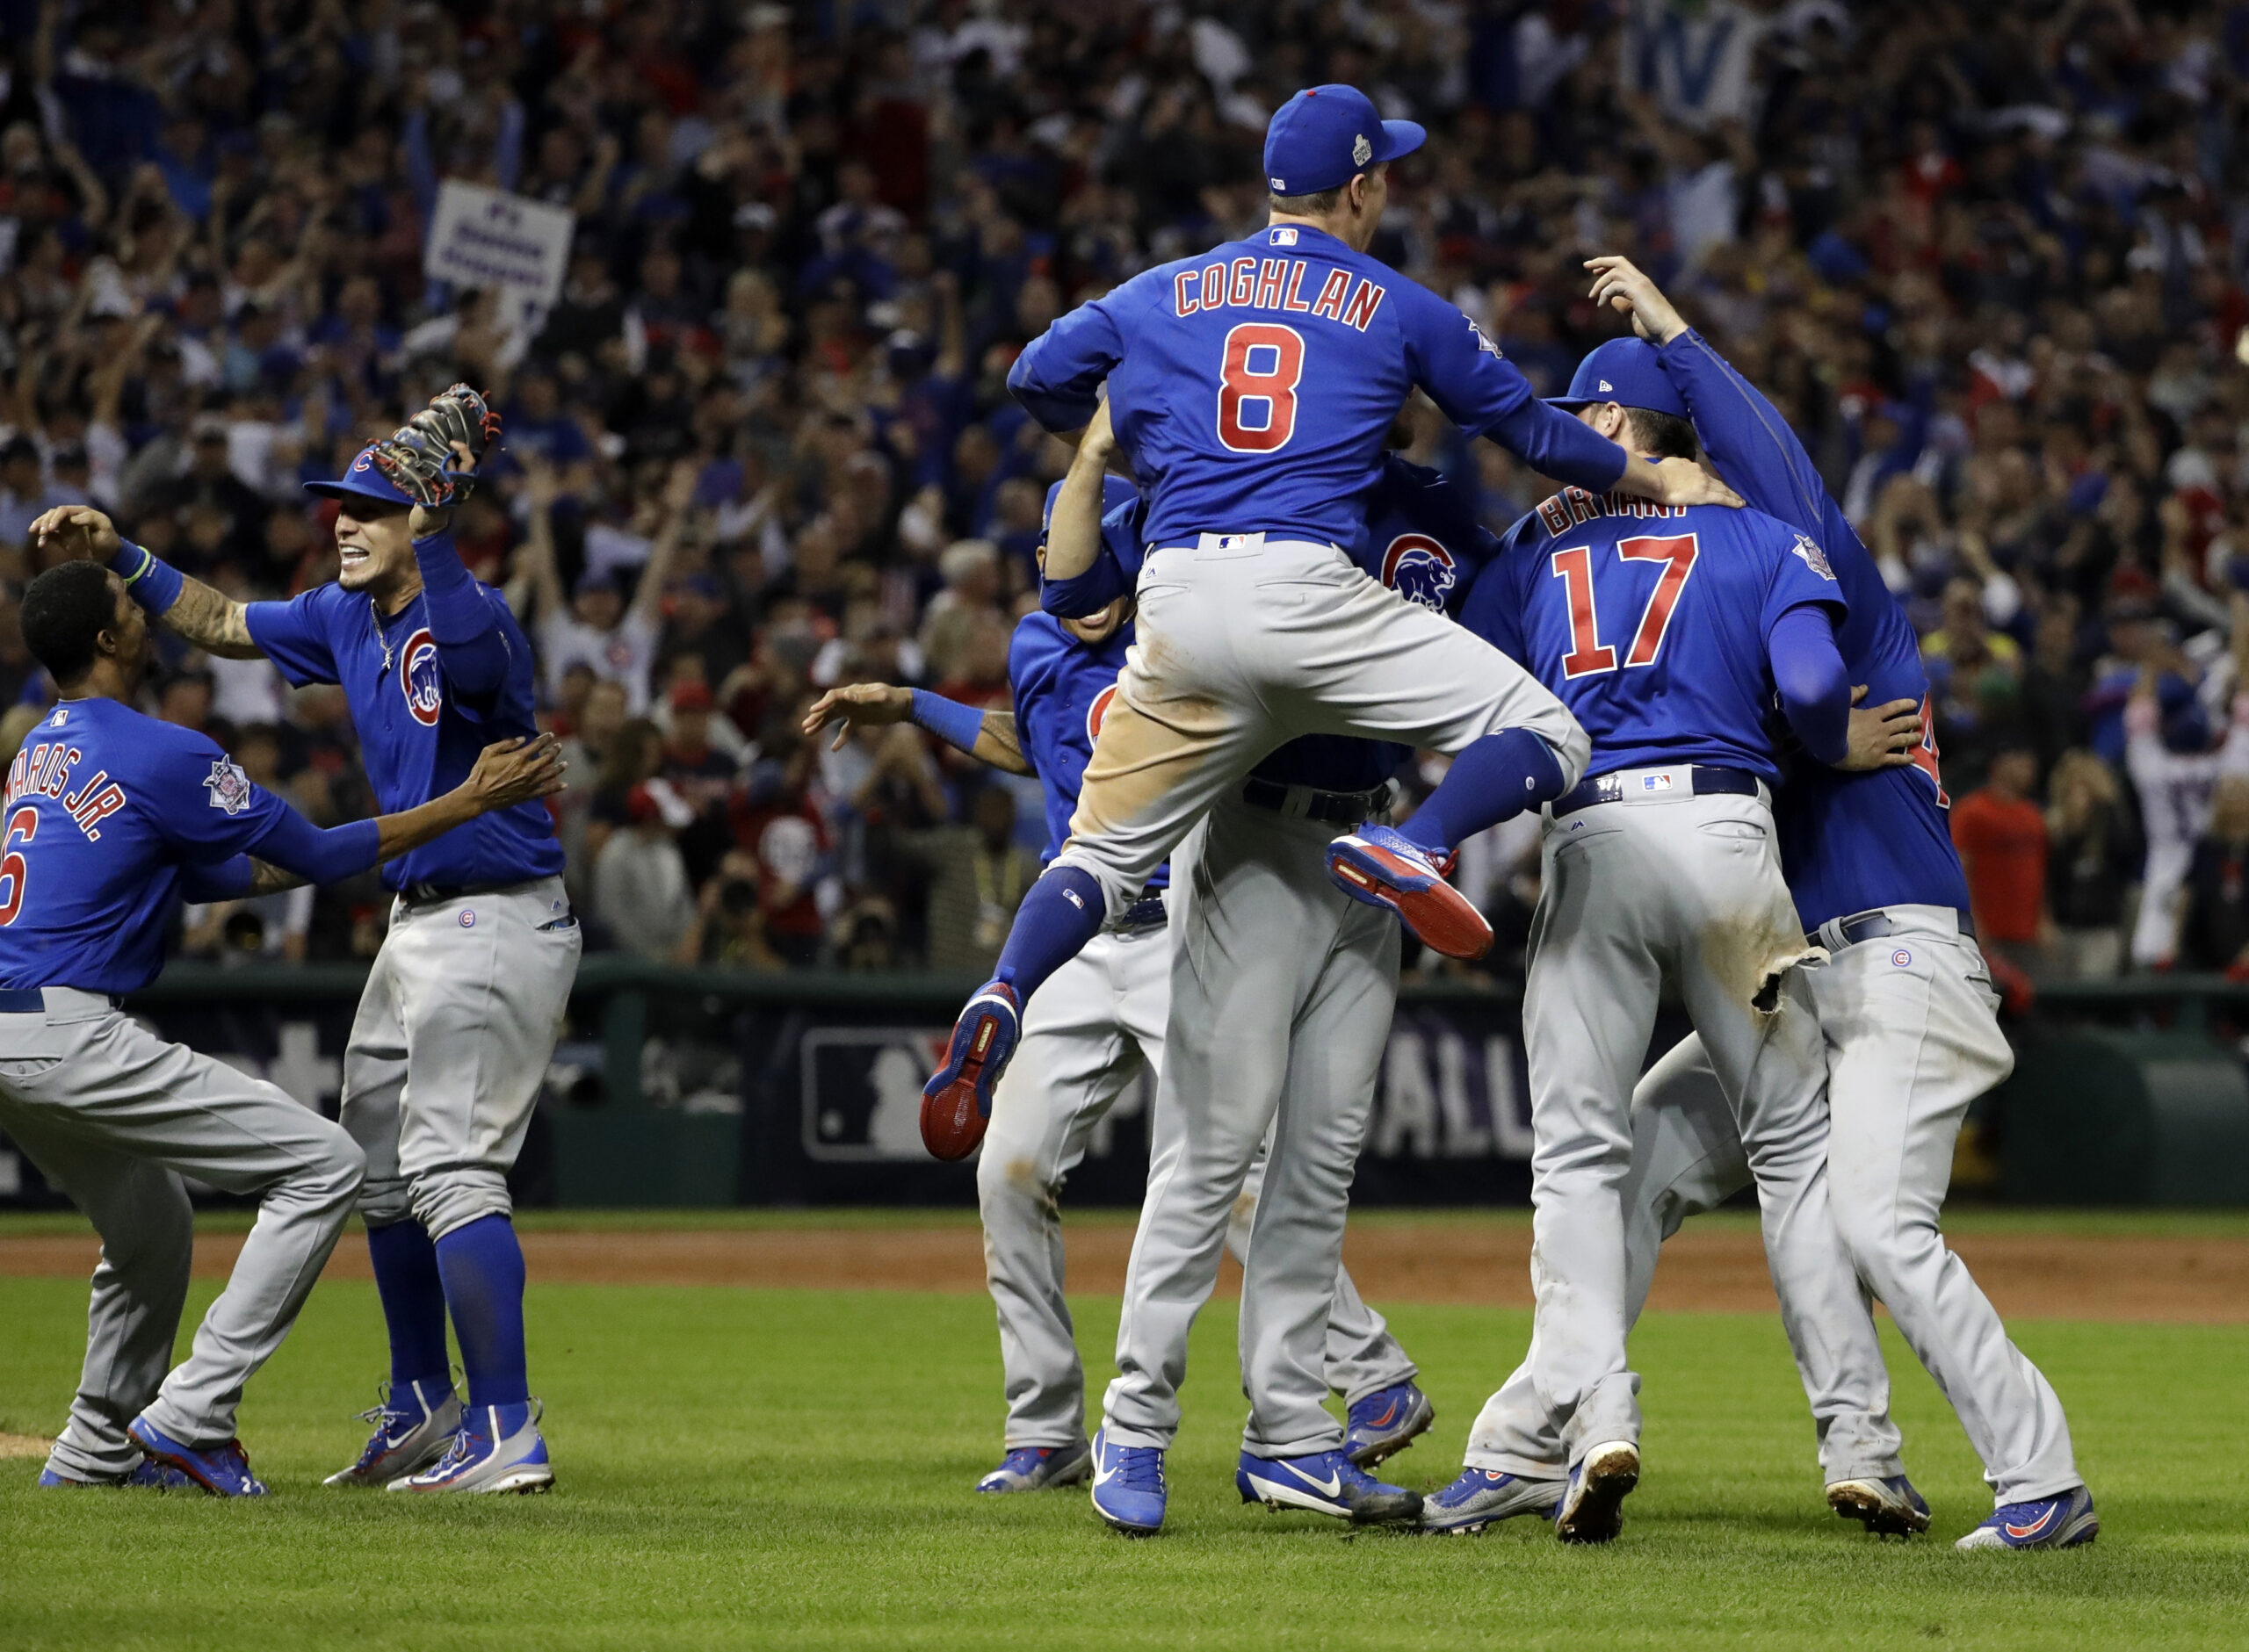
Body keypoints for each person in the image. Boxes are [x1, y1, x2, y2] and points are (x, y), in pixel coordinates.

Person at [920, 83, 1739, 1140]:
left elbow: (1035, 378)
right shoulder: (1397, 303)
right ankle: (1419, 845)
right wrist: (1653, 481)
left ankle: (1004, 991)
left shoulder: (1159, 292)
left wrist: (1148, 435)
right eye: (1382, 170)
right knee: (1543, 728)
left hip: (1177, 592)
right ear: (1359, 186)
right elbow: (1530, 433)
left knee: (1097, 855)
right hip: (1303, 585)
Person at [1492, 256, 2098, 1553]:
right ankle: (1530, 1440)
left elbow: (1781, 477)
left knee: (1878, 1218)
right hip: (1798, 977)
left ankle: (2039, 1477)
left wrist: (1674, 333)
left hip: (1897, 968)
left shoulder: (1838, 592)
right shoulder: (1751, 624)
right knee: (1638, 1157)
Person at [805, 473, 1430, 1504]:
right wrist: (914, 707)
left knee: (1227, 1172)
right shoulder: (1037, 642)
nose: (1080, 576)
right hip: (1080, 941)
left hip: (1187, 918)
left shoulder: (1190, 638)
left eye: (1098, 552)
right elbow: (1039, 745)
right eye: (1062, 556)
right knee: (1006, 1170)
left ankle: (1370, 1378)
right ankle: (1045, 1427)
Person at [53, 385, 584, 1496]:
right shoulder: (345, 615)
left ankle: (506, 1430)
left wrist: (433, 525)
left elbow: (472, 663)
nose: (343, 521)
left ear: (423, 523)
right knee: (380, 1173)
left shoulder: (468, 613)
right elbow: (222, 623)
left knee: (451, 1172)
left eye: (371, 508)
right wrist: (127, 551)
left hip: (495, 916)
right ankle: (418, 1400)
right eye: (338, 504)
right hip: (417, 921)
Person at [1443, 335, 1865, 1544]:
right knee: (1793, 1155)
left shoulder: (1544, 545)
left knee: (1580, 1153)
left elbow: (1459, 673)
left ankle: (1597, 1417)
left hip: (1597, 839)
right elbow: (1822, 695)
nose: (1569, 435)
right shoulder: (1755, 535)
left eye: (1588, 416)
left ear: (1624, 425)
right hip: (1733, 840)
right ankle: (1862, 1448)